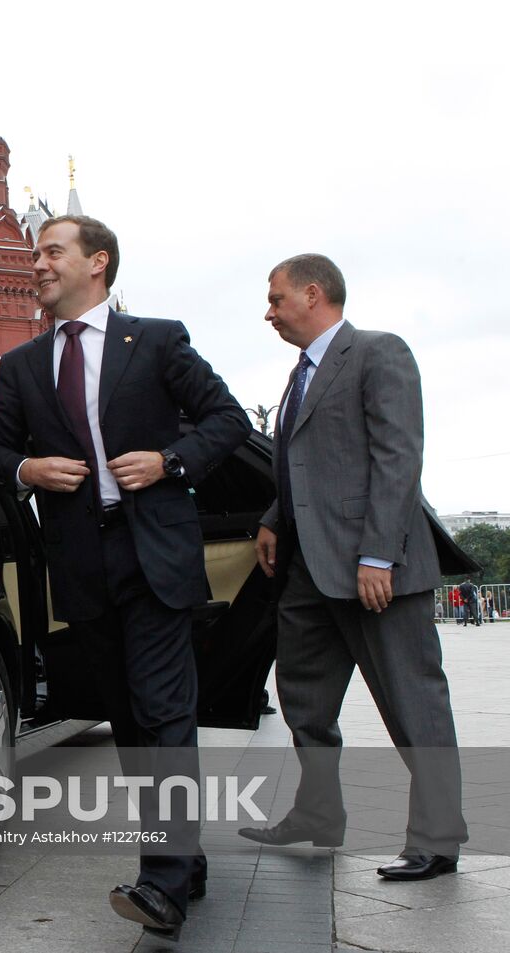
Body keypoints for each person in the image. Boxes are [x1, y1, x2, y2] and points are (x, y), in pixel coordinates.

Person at [0, 215, 250, 939]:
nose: (37, 262)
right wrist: (27, 469)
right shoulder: (24, 365)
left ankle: (160, 880)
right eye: (36, 252)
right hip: (81, 562)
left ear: (97, 263)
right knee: (131, 720)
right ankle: (182, 859)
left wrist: (170, 461)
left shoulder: (157, 339)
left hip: (154, 553)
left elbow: (225, 419)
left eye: (50, 251)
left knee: (164, 713)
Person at [240, 254, 466, 881]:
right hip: (309, 570)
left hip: (376, 570)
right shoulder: (298, 376)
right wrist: (275, 516)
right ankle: (318, 817)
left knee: (413, 705)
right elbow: (308, 465)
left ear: (314, 295)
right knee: (304, 701)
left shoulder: (378, 352)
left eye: (277, 299)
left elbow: (398, 457)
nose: (269, 312)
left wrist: (377, 555)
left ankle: (438, 839)